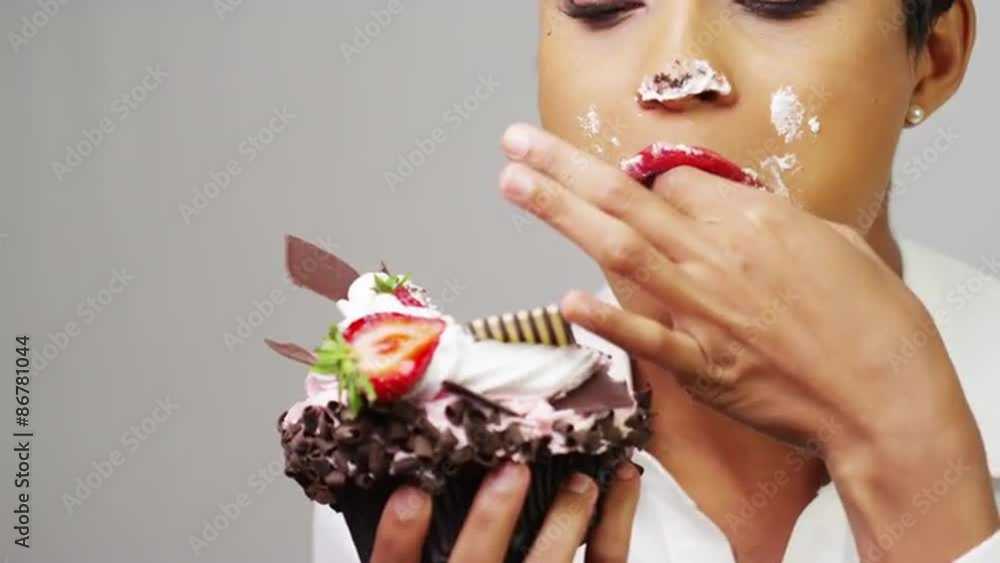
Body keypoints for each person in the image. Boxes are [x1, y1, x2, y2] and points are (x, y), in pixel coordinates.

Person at [315, 0, 1000, 560]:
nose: (677, 70)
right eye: (603, 3)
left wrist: (913, 469)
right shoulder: (419, 458)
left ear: (933, 57)